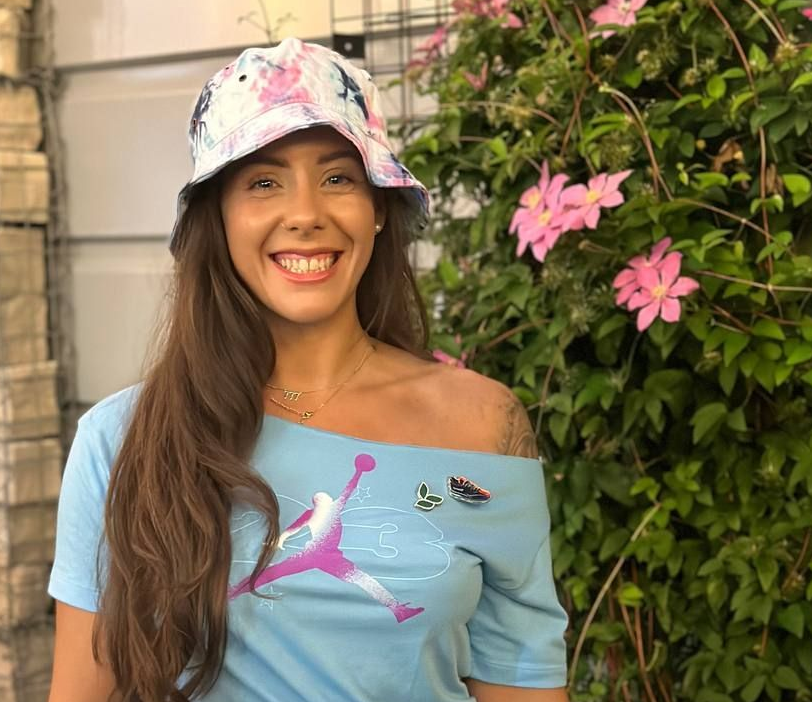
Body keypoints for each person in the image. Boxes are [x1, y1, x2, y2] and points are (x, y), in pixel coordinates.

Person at [47, 37, 569, 702]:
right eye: (263, 182)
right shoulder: (122, 440)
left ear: (378, 209)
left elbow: (522, 679)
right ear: (221, 218)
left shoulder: (483, 426)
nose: (305, 215)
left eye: (338, 178)